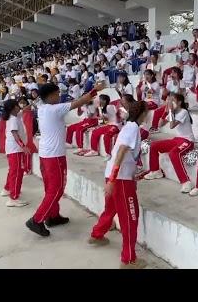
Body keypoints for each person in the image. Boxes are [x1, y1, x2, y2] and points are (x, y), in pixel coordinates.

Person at [25, 82, 97, 237]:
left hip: (46, 154)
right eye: (57, 93)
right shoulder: (54, 109)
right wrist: (95, 90)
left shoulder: (43, 108)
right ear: (50, 96)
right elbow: (80, 101)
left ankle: (52, 216)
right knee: (56, 189)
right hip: (54, 156)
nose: (59, 96)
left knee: (50, 188)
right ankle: (37, 219)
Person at [88, 100, 150, 269]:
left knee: (111, 209)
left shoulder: (129, 126)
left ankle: (97, 234)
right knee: (130, 217)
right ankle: (129, 259)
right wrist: (114, 181)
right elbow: (122, 150)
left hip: (115, 176)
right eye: (147, 111)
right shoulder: (133, 128)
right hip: (120, 179)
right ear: (143, 113)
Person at [144, 93, 195, 193]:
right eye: (169, 100)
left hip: (187, 141)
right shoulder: (173, 112)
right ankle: (155, 171)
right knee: (154, 146)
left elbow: (172, 126)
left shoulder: (183, 112)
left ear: (179, 102)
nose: (170, 102)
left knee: (174, 154)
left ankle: (186, 182)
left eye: (173, 100)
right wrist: (166, 112)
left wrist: (170, 111)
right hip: (177, 139)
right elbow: (160, 124)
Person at [0, 99, 31, 207]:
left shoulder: (15, 115)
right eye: (18, 105)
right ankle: (13, 198)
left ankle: (7, 188)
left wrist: (35, 102)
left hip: (13, 149)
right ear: (13, 108)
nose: (20, 106)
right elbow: (15, 134)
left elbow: (24, 109)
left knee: (13, 171)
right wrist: (24, 146)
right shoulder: (13, 119)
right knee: (17, 173)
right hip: (15, 149)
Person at [81, 94, 120, 159]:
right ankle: (94, 150)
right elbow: (105, 120)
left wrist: (100, 116)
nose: (98, 101)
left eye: (99, 99)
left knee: (107, 136)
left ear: (104, 101)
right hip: (108, 125)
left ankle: (109, 154)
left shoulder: (109, 106)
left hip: (115, 126)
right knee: (95, 132)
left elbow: (109, 116)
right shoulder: (102, 108)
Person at [150, 67, 184, 131]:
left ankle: (162, 122)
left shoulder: (182, 82)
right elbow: (164, 94)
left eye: (174, 73)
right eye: (172, 73)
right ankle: (154, 127)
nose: (172, 74)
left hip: (178, 103)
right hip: (170, 102)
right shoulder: (169, 83)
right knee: (157, 111)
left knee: (167, 109)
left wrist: (178, 83)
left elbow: (180, 95)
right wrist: (165, 86)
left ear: (178, 74)